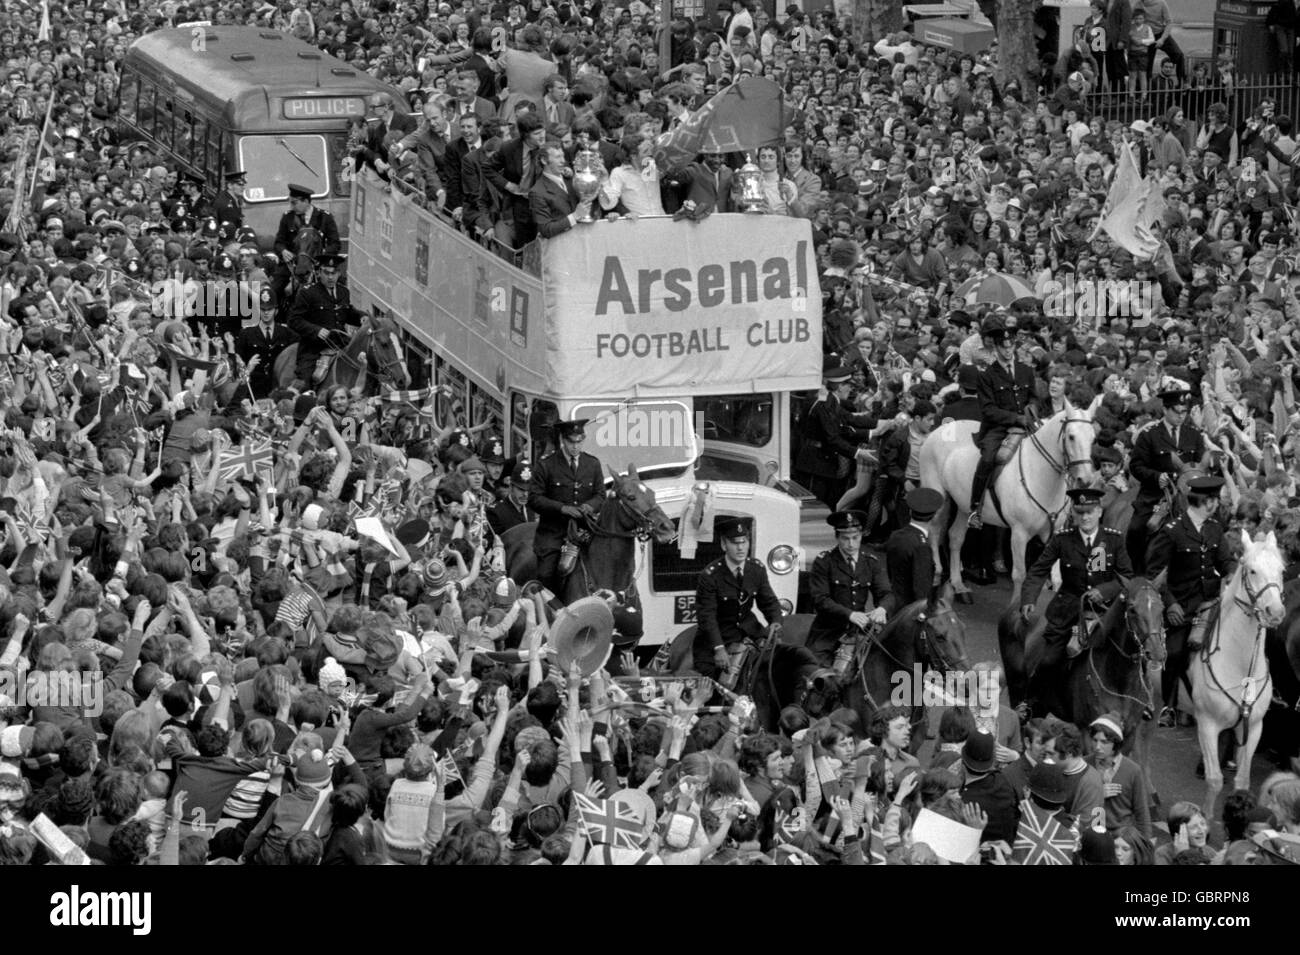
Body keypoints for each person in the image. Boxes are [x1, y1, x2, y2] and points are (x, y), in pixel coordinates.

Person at [1020, 487, 1134, 718]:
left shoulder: (1112, 539)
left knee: (1131, 650)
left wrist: (1104, 590)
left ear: (1099, 512)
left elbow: (1126, 577)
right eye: (1080, 512)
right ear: (1073, 512)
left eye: (1090, 512)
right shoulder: (1063, 539)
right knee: (1049, 660)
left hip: (1105, 612)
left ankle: (1141, 702)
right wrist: (1029, 598)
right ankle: (1031, 702)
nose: (1085, 517)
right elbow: (1038, 570)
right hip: (1069, 610)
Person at [1144, 475, 1235, 727]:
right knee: (1174, 653)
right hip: (1181, 605)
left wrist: (1233, 571)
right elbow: (1154, 573)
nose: (1217, 504)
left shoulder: (1214, 528)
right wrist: (1170, 602)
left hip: (1210, 601)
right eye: (1215, 500)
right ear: (1206, 502)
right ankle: (1169, 706)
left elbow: (1224, 561)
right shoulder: (1172, 530)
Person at [692, 517, 784, 682]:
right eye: (735, 543)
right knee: (716, 684)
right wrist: (718, 648)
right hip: (721, 636)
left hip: (751, 631)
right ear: (723, 544)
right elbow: (707, 616)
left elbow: (769, 602)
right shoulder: (710, 575)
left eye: (744, 541)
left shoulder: (756, 569)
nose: (741, 547)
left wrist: (775, 622)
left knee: (782, 664)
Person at [1126, 386, 1207, 573]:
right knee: (1137, 528)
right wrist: (1156, 477)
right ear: (1165, 410)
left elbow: (1200, 464)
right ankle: (1135, 572)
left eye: (1184, 412)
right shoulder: (1150, 435)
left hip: (1189, 494)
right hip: (1157, 494)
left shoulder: (1193, 435)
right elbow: (1136, 466)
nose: (1181, 416)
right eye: (1176, 412)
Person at [806, 510, 895, 672]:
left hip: (860, 630)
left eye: (855, 538)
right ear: (837, 538)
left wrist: (882, 608)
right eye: (845, 539)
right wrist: (850, 614)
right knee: (817, 676)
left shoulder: (870, 562)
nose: (851, 544)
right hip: (829, 632)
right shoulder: (824, 562)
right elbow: (820, 599)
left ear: (861, 536)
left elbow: (886, 594)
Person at [968, 315, 1035, 530]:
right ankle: (975, 507)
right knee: (988, 458)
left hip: (1027, 424)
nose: (1007, 351)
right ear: (996, 348)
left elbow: (1033, 397)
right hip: (998, 428)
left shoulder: (1026, 371)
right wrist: (1015, 418)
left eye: (1011, 346)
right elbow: (988, 410)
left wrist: (1031, 410)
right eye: (1003, 347)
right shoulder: (987, 375)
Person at [527, 419, 605, 596]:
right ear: (563, 440)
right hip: (554, 533)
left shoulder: (592, 464)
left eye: (579, 442)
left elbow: (601, 495)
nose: (575, 447)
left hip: (585, 531)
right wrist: (562, 508)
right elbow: (534, 498)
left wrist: (589, 506)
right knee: (546, 574)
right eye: (571, 442)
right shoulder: (546, 465)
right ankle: (548, 608)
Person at [287, 253, 361, 388]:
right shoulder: (308, 293)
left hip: (340, 344)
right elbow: (294, 320)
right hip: (314, 347)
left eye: (334, 273)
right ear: (319, 272)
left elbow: (347, 312)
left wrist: (362, 318)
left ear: (339, 273)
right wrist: (316, 330)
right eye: (327, 273)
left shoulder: (344, 292)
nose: (331, 277)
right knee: (305, 381)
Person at [272, 182, 341, 308]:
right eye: (291, 203)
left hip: (317, 264)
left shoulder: (324, 217)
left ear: (306, 201)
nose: (292, 207)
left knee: (339, 287)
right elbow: (279, 242)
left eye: (294, 203)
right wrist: (283, 251)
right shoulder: (288, 217)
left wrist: (321, 257)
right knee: (274, 289)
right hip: (292, 264)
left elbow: (335, 244)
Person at [1086, 713, 1152, 837]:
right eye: (1095, 740)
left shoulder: (1133, 771)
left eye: (1104, 742)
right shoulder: (1084, 765)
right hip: (1091, 836)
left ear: (1116, 743)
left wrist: (1145, 847)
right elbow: (1073, 806)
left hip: (1121, 840)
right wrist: (1098, 794)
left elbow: (1142, 813)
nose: (1097, 747)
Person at [884, 487, 941, 609]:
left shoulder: (895, 535)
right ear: (935, 516)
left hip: (895, 605)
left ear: (910, 512)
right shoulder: (922, 547)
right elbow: (922, 590)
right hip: (910, 614)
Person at [213, 169, 247, 236]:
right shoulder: (226, 205)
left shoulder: (232, 199)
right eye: (239, 184)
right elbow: (229, 231)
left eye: (243, 185)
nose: (243, 188)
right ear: (230, 186)